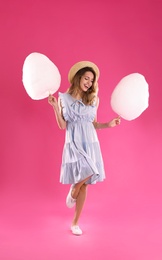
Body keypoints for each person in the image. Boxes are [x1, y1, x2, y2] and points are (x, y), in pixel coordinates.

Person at [48, 61, 120, 236]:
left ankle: (75, 222)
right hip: (74, 142)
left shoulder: (94, 99)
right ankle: (73, 190)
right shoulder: (64, 98)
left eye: (92, 80)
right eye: (86, 78)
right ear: (78, 78)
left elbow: (93, 124)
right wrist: (55, 107)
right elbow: (62, 125)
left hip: (90, 142)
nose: (89, 82)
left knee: (85, 185)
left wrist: (109, 124)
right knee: (88, 171)